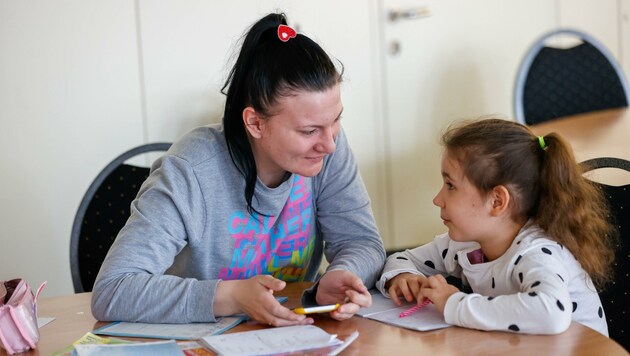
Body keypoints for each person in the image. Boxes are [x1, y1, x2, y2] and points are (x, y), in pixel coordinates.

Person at [91, 13, 385, 326]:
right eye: (308, 131)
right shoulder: (191, 169)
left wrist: (343, 273)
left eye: (336, 120)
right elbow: (113, 290)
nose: (328, 144)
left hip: (291, 337)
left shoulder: (327, 148)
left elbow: (363, 243)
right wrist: (230, 296)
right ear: (255, 122)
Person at [376, 118, 616, 336]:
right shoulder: (465, 244)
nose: (437, 199)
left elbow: (552, 312)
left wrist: (454, 303)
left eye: (450, 185)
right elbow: (402, 258)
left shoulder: (536, 253)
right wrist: (403, 277)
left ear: (497, 201)